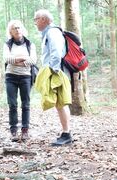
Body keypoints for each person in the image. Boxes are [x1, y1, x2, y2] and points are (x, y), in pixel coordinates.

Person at [34, 9, 73, 146]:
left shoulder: (53, 32)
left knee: (61, 103)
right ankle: (65, 132)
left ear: (44, 19)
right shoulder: (48, 33)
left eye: (36, 19)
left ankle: (66, 134)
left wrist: (53, 71)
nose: (35, 23)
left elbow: (56, 52)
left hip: (56, 71)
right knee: (59, 103)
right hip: (55, 70)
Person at [3, 20, 37, 142]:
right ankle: (13, 131)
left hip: (25, 77)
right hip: (10, 76)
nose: (17, 30)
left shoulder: (30, 44)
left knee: (26, 104)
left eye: (19, 27)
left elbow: (33, 60)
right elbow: (7, 59)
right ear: (10, 32)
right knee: (12, 105)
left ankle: (25, 131)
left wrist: (16, 61)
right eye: (14, 28)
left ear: (22, 29)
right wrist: (23, 59)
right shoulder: (8, 44)